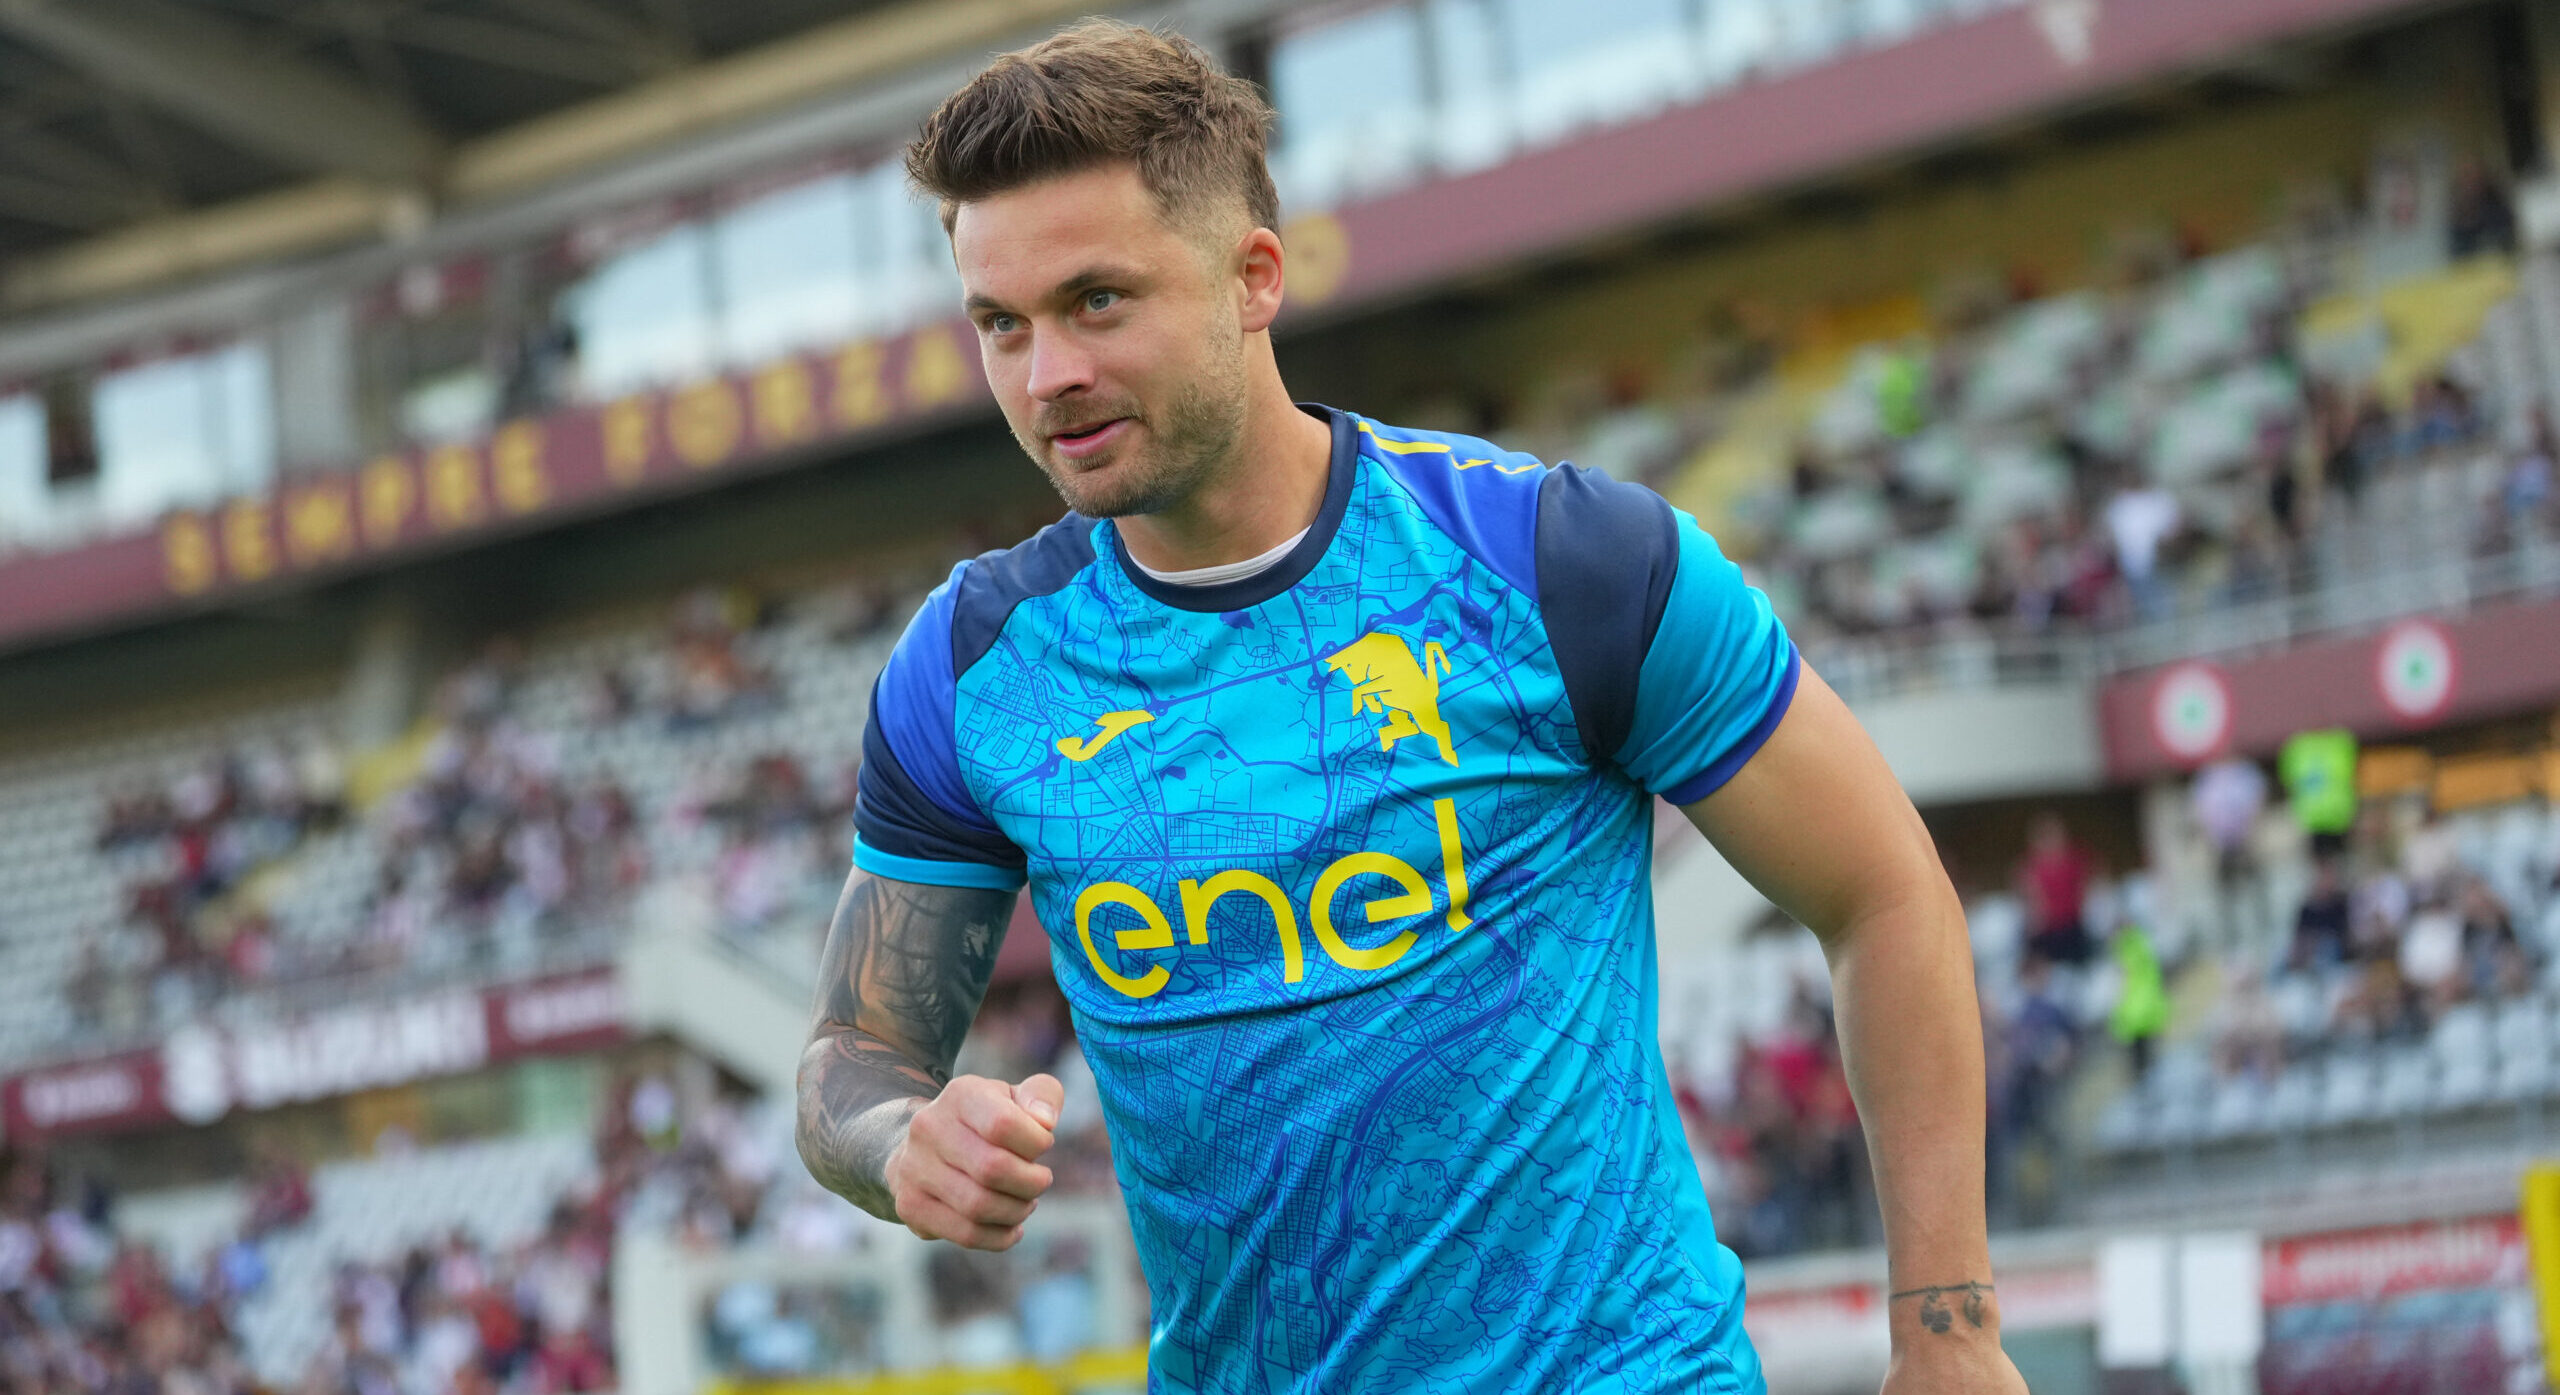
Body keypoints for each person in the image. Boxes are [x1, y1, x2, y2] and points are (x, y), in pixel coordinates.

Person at [793, 22, 2023, 1395]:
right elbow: (854, 1058)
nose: (1045, 376)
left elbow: (1884, 893)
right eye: (1000, 324)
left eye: (1097, 302)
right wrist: (901, 1142)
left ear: (1254, 277)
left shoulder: (1562, 565)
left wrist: (1949, 1337)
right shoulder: (973, 671)